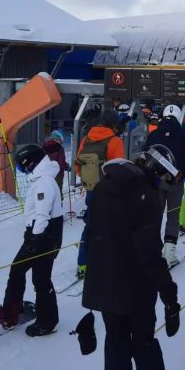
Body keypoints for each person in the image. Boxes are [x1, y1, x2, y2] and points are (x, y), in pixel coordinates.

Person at [82, 145, 182, 370]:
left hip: (105, 287)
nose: (162, 184)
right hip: (136, 290)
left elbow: (92, 236)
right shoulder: (145, 196)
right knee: (145, 346)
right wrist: (170, 296)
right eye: (163, 176)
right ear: (154, 168)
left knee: (115, 348)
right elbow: (148, 254)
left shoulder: (104, 188)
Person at [0, 144, 64, 336]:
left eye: (23, 167)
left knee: (19, 271)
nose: (23, 171)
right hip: (46, 236)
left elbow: (42, 215)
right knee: (40, 277)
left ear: (30, 163)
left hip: (42, 236)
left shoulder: (44, 183)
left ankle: (13, 315)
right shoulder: (44, 179)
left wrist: (33, 238)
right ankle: (45, 319)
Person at [74, 109, 125, 280]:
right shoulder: (115, 141)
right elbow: (120, 169)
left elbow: (78, 165)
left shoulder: (86, 138)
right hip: (109, 192)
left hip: (91, 190)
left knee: (90, 227)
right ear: (113, 124)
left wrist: (89, 179)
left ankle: (83, 263)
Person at [144, 104, 185, 266]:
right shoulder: (183, 135)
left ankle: (153, 249)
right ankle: (169, 253)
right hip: (175, 182)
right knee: (173, 215)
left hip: (156, 181)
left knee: (155, 214)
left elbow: (146, 155)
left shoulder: (153, 134)